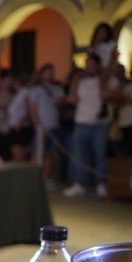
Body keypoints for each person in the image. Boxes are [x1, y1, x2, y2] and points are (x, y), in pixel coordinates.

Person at [64, 52, 120, 198]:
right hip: (81, 122)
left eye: (92, 65)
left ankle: (101, 184)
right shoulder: (79, 80)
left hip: (100, 123)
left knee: (99, 155)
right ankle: (79, 184)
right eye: (87, 65)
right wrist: (71, 98)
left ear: (98, 65)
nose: (89, 68)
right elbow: (72, 98)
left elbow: (118, 98)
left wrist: (110, 96)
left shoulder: (108, 79)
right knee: (79, 155)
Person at [27, 64, 65, 187]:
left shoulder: (58, 89)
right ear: (42, 74)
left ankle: (45, 179)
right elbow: (32, 109)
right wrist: (38, 126)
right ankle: (32, 180)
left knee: (50, 154)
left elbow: (62, 107)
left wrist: (60, 103)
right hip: (41, 127)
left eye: (52, 72)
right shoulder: (36, 90)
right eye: (47, 71)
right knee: (37, 153)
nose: (50, 74)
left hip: (54, 126)